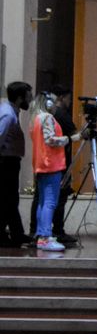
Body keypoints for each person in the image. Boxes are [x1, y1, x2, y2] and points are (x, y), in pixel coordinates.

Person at [30, 93, 85, 252]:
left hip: (42, 165)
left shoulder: (36, 118)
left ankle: (41, 234)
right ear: (48, 103)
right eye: (54, 102)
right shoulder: (47, 118)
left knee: (43, 202)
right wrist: (72, 138)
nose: (56, 105)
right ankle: (45, 237)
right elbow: (51, 140)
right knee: (50, 202)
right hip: (51, 165)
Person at [0, 82, 33, 248]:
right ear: (20, 98)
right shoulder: (8, 115)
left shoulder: (11, 111)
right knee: (7, 199)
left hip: (10, 161)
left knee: (10, 199)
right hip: (5, 162)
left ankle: (17, 233)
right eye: (28, 96)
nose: (30, 99)